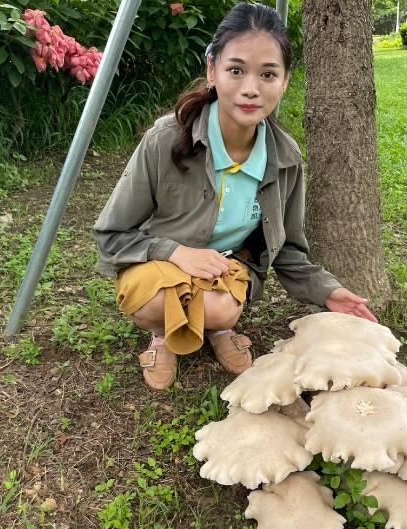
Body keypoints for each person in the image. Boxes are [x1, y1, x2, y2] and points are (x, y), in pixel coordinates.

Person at [92, 2, 376, 391]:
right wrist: (177, 254)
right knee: (152, 302)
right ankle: (163, 336)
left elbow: (288, 250)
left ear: (285, 81)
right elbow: (112, 234)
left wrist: (329, 292)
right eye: (236, 70)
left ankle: (216, 327)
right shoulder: (165, 140)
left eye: (268, 74)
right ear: (212, 70)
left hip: (228, 271)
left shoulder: (286, 159)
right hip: (161, 266)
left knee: (220, 309)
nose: (250, 89)